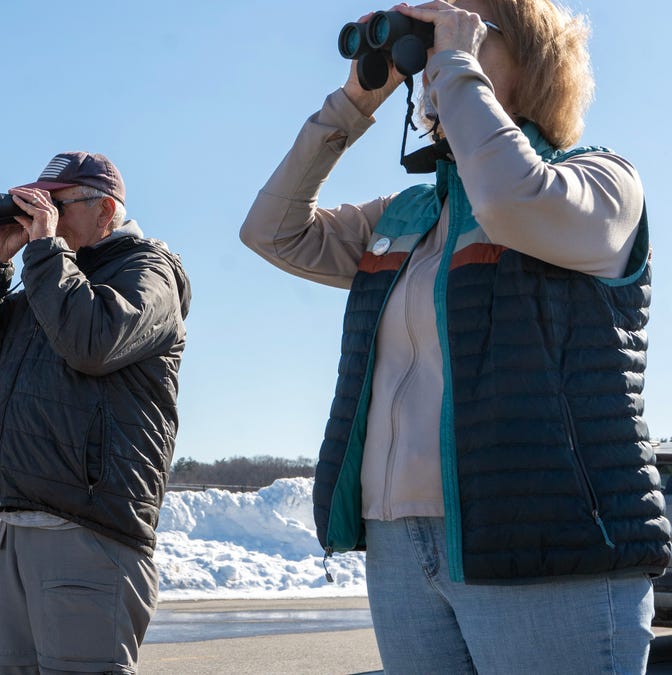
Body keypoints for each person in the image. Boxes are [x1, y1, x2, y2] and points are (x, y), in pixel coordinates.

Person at [239, 1, 670, 672]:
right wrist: (356, 101)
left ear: (530, 61)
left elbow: (508, 199)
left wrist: (456, 64)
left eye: (460, 32)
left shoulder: (599, 182)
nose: (437, 57)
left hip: (546, 542)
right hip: (400, 548)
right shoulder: (409, 216)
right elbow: (271, 230)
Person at [0, 151, 191, 674]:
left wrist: (45, 253)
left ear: (106, 210)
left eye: (57, 204)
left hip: (88, 529)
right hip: (20, 527)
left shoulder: (148, 272)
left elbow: (91, 341)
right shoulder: (52, 273)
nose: (43, 215)